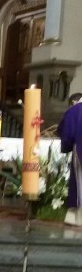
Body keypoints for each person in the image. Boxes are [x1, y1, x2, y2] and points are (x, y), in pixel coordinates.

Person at [59, 96, 82, 226]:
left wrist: (66, 146)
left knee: (79, 183)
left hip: (80, 149)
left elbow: (66, 132)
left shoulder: (75, 110)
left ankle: (78, 218)